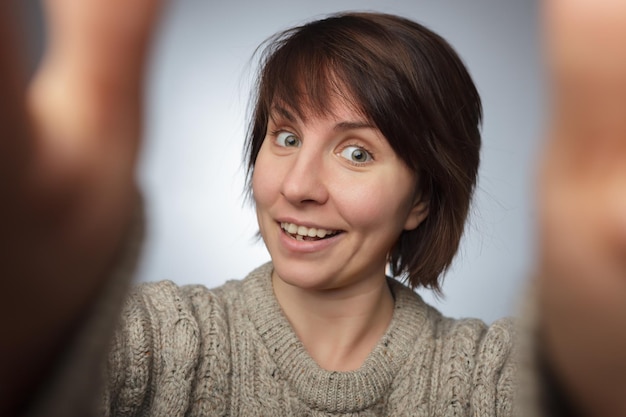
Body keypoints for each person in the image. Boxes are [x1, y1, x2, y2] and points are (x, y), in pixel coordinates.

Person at [0, 1, 625, 416]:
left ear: (423, 199)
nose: (299, 185)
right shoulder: (159, 343)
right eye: (287, 137)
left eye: (355, 153)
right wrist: (35, 352)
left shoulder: (486, 382)